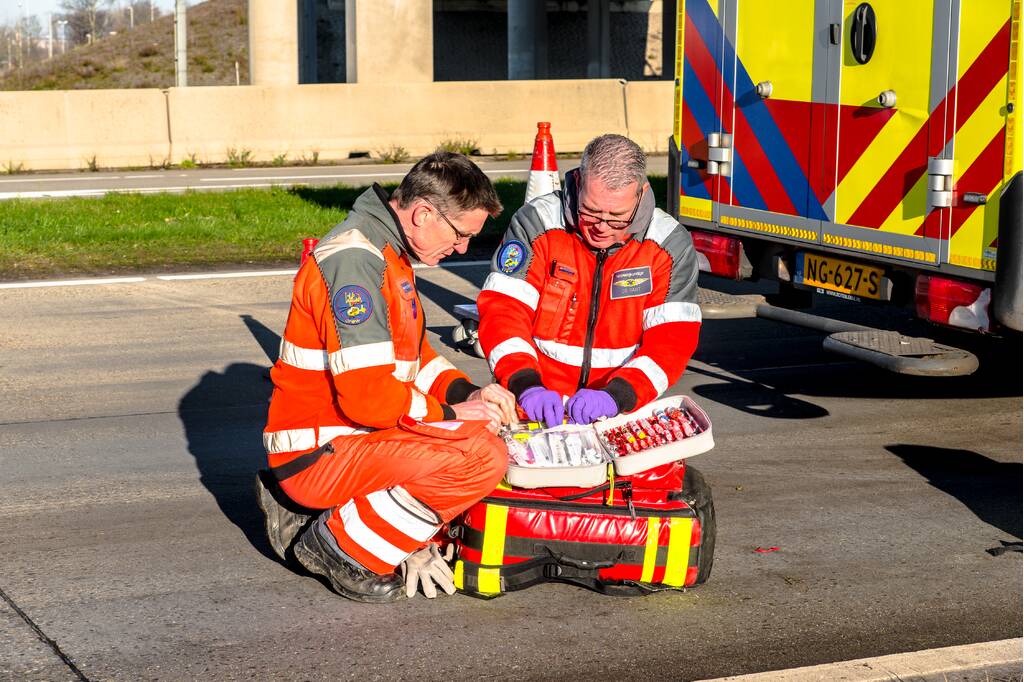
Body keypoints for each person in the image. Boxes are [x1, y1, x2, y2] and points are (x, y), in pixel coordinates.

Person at [256, 152, 517, 603]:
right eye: (462, 236)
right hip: (320, 453)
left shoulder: (385, 252)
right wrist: (453, 414)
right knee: (481, 458)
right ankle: (339, 547)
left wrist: (470, 393)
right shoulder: (357, 263)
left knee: (485, 436)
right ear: (423, 213)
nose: (461, 250)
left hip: (348, 440)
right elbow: (369, 400)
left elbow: (418, 357)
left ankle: (361, 527)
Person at [477, 134, 701, 428]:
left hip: (620, 409)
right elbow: (504, 311)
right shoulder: (537, 223)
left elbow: (672, 341)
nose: (602, 228)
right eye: (591, 212)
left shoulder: (668, 245)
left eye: (618, 217)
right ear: (579, 183)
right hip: (531, 401)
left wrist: (618, 396)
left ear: (641, 193)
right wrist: (525, 385)